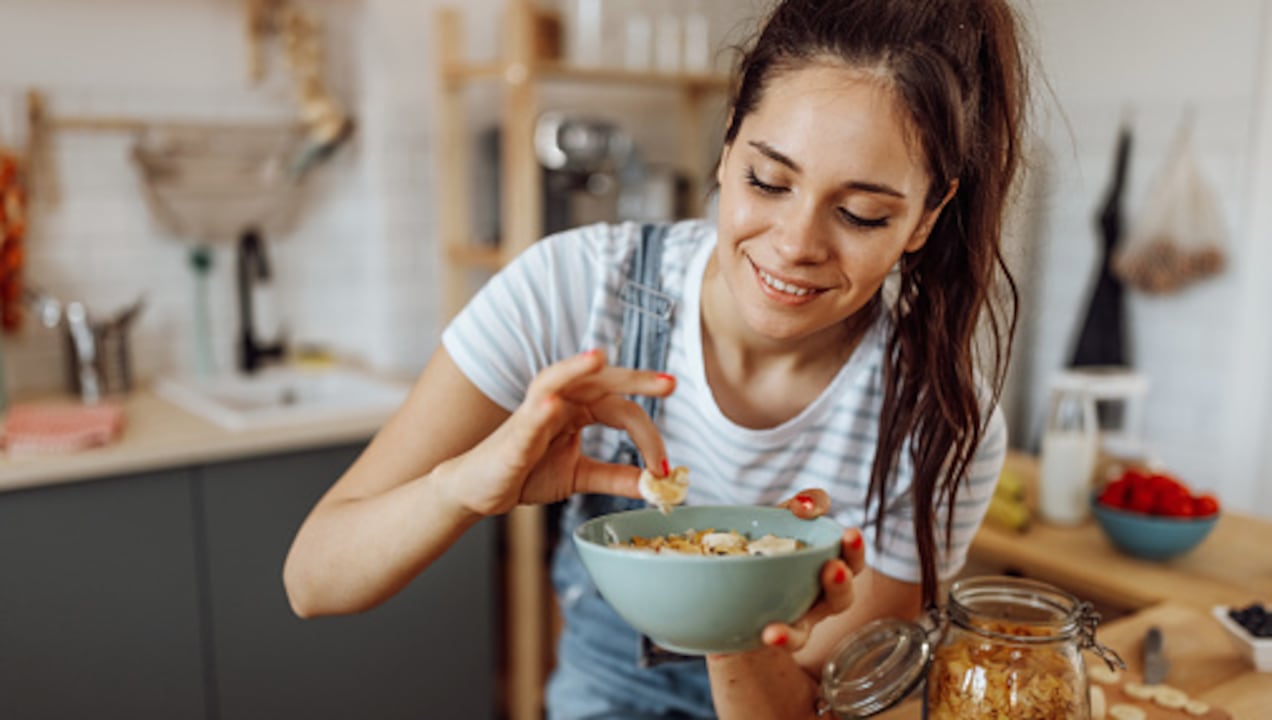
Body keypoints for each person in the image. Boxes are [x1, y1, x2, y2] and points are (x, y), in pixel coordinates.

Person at [283, 0, 1031, 716]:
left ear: (926, 218)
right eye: (767, 180)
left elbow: (808, 710)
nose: (797, 243)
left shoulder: (939, 422)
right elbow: (314, 578)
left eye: (862, 213)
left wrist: (736, 600)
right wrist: (464, 487)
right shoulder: (575, 289)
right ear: (728, 141)